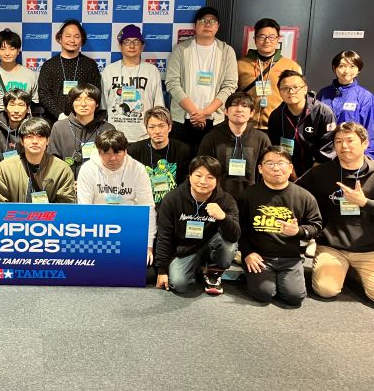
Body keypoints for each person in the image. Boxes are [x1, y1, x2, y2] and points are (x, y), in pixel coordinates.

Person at [296, 122, 374, 302]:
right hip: (332, 247)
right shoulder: (320, 173)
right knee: (326, 290)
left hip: (369, 249)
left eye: (350, 140)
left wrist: (364, 203)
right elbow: (294, 192)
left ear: (365, 143)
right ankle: (344, 268)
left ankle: (352, 271)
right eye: (338, 141)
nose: (344, 146)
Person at [238, 147, 322, 306]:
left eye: (281, 163)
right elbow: (240, 229)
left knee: (294, 297)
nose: (276, 168)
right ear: (260, 169)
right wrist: (247, 253)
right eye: (269, 164)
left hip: (290, 258)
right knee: (264, 293)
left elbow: (316, 226)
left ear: (290, 168)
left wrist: (298, 231)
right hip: (259, 256)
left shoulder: (304, 196)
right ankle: (251, 274)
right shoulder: (248, 195)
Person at [155, 155, 240, 295]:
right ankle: (199, 269)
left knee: (228, 245)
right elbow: (164, 236)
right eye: (198, 175)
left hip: (212, 245)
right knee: (179, 285)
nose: (203, 181)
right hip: (185, 249)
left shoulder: (226, 201)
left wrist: (223, 217)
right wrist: (162, 270)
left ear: (217, 180)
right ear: (189, 176)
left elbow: (235, 236)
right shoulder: (172, 199)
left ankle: (213, 272)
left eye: (210, 177)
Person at [77, 130, 156, 265]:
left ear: (125, 151)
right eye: (106, 153)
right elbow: (84, 209)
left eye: (117, 153)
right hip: (98, 229)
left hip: (129, 227)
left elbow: (148, 208)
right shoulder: (88, 169)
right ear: (99, 152)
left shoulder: (138, 169)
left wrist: (148, 245)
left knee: (141, 269)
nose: (112, 158)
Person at [165, 7, 238, 152]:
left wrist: (205, 112)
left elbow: (230, 85)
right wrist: (195, 112)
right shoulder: (181, 49)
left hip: (214, 120)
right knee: (182, 161)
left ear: (218, 26)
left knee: (210, 162)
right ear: (195, 25)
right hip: (183, 120)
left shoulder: (227, 51)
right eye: (203, 20)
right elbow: (172, 82)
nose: (208, 24)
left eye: (212, 21)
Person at [198, 92, 271, 198]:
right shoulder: (212, 138)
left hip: (253, 197)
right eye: (234, 105)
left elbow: (267, 170)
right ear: (226, 111)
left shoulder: (261, 139)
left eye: (245, 106)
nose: (239, 109)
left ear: (252, 113)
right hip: (218, 198)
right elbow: (202, 169)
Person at [267, 69, 337, 179]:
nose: (291, 91)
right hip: (289, 173)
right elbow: (276, 148)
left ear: (305, 89)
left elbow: (327, 149)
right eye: (285, 88)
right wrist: (293, 176)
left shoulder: (323, 113)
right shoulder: (276, 116)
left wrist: (308, 179)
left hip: (318, 171)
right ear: (279, 92)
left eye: (295, 87)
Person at [101, 24, 164, 141]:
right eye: (127, 42)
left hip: (144, 135)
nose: (131, 46)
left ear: (142, 46)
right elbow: (103, 105)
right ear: (120, 46)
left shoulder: (151, 70)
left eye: (136, 42)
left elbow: (158, 105)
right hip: (114, 136)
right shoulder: (109, 70)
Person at [237, 18, 302, 131]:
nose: (267, 41)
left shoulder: (291, 66)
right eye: (262, 36)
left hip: (277, 126)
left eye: (271, 37)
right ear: (255, 39)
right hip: (245, 126)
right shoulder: (240, 64)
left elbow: (298, 99)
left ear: (278, 39)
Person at [0, 117, 76, 203]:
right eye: (29, 136)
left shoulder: (62, 170)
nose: (35, 141)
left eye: (40, 136)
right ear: (21, 141)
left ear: (47, 140)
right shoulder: (4, 169)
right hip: (14, 212)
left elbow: (66, 206)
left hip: (51, 212)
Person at [37, 20, 102, 123]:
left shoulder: (90, 65)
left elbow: (95, 93)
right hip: (55, 121)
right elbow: (44, 94)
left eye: (76, 37)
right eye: (68, 36)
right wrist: (60, 115)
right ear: (60, 38)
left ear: (82, 40)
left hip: (84, 122)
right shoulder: (49, 65)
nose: (72, 40)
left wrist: (82, 115)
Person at [128, 106, 192, 206]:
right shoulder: (134, 151)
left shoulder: (183, 151)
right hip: (144, 204)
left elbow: (186, 185)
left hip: (173, 205)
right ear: (146, 129)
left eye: (161, 126)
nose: (157, 131)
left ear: (169, 127)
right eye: (152, 127)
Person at [48, 84, 114, 178]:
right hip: (67, 183)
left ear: (97, 104)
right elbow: (53, 160)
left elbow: (113, 160)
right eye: (78, 99)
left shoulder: (107, 129)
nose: (83, 104)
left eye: (89, 99)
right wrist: (68, 182)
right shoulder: (59, 127)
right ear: (72, 103)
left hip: (99, 183)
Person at [316, 50, 374, 157]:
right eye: (342, 66)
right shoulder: (323, 94)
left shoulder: (365, 97)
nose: (346, 71)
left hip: (350, 152)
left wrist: (368, 157)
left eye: (352, 66)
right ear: (334, 68)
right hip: (324, 153)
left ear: (358, 70)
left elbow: (370, 130)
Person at [0, 29, 38, 123]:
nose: (7, 53)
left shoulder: (30, 76)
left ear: (18, 51)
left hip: (23, 128)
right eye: (2, 49)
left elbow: (36, 106)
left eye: (12, 49)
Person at [0, 89, 31, 172]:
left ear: (28, 109)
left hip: (26, 175)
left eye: (21, 105)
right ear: (5, 108)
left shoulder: (33, 128)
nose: (16, 110)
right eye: (12, 105)